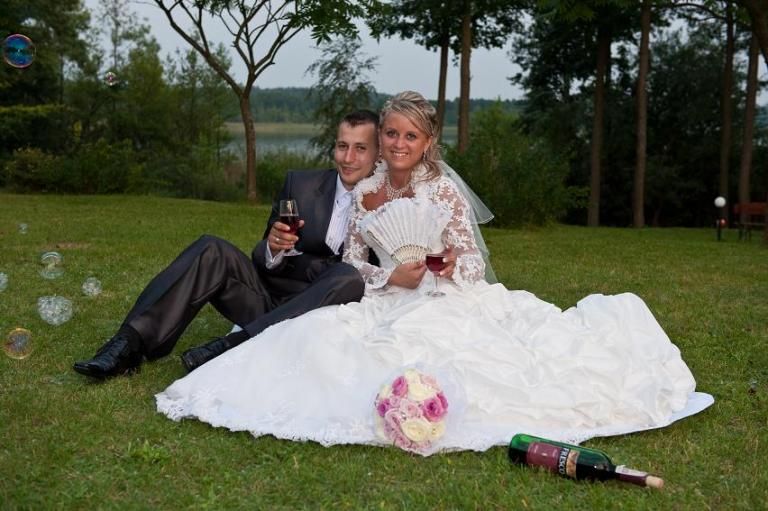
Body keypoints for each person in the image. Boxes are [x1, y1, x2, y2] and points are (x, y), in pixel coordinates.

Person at [155, 91, 711, 454]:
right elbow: (352, 261)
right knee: (328, 342)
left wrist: (437, 268)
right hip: (383, 295)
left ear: (427, 143)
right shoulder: (369, 190)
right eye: (391, 134)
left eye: (410, 136)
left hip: (442, 296)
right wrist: (387, 278)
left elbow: (471, 262)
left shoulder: (441, 190)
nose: (398, 144)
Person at [73, 110, 380, 379]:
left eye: (360, 148)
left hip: (325, 319)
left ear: (378, 154)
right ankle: (128, 345)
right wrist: (273, 248)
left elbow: (375, 276)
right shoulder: (300, 184)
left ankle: (234, 344)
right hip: (268, 302)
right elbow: (261, 259)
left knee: (348, 275)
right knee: (211, 248)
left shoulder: (391, 203)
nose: (347, 158)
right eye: (342, 146)